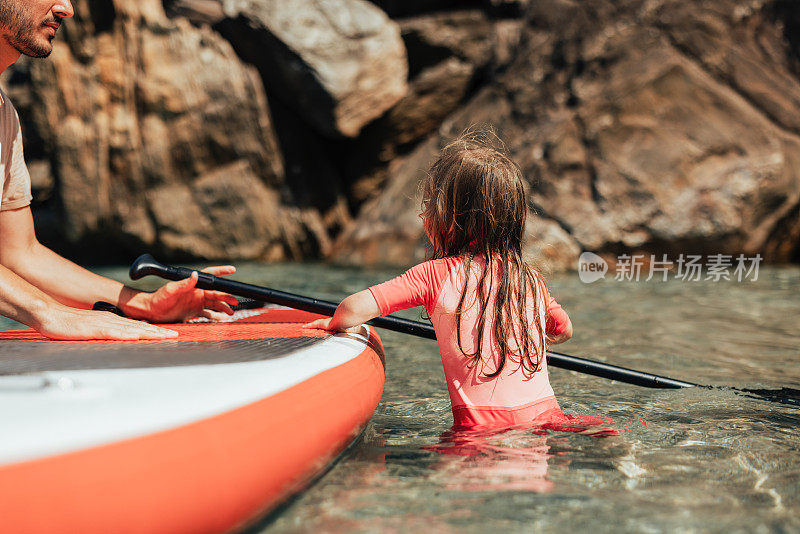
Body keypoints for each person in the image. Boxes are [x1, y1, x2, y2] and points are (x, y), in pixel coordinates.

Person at [306, 134, 580, 430]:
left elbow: (353, 309)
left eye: (428, 206)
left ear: (448, 219)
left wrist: (334, 323)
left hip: (482, 431)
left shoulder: (435, 274)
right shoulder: (529, 278)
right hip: (547, 419)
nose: (424, 215)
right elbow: (563, 329)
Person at [0, 1, 238, 340]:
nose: (66, 8)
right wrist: (49, 313)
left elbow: (18, 253)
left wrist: (143, 303)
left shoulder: (3, 112)